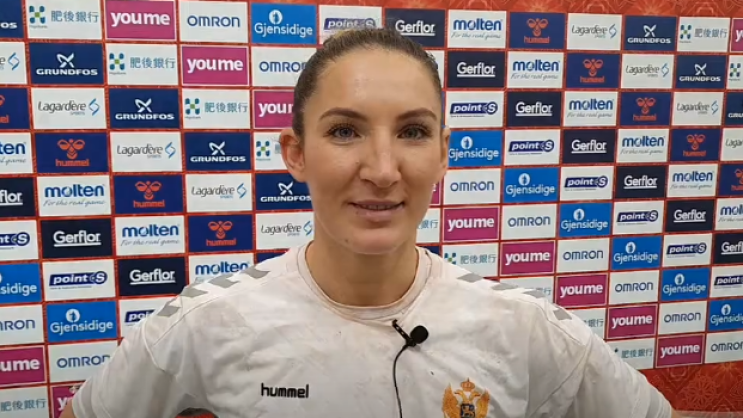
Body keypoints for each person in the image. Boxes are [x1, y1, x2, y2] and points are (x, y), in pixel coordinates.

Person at [62, 27, 682, 418]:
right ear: (295, 154)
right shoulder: (206, 324)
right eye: (344, 131)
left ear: (443, 153)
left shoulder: (526, 330)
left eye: (412, 132)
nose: (383, 170)